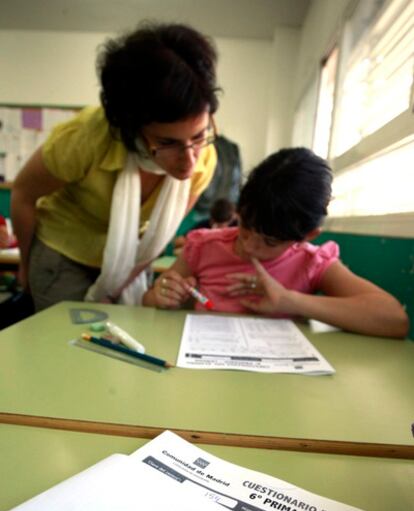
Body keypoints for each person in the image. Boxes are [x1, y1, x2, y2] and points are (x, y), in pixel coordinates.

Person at [11, 22, 219, 311]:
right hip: (62, 256)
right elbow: (22, 194)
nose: (189, 160)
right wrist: (25, 263)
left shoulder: (204, 158)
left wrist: (119, 284)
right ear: (131, 127)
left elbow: (156, 239)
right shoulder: (86, 138)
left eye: (198, 136)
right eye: (167, 142)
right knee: (67, 347)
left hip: (130, 262)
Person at [143, 148, 409, 338]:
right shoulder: (203, 246)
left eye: (268, 242)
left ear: (306, 237)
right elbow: (149, 300)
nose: (248, 246)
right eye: (245, 227)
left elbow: (394, 320)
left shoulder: (310, 262)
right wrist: (159, 296)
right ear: (239, 210)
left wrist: (289, 301)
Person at [173, 198, 237, 255]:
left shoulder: (237, 228)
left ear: (231, 220)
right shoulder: (203, 225)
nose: (215, 227)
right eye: (213, 223)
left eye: (220, 225)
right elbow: (179, 242)